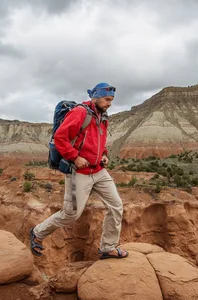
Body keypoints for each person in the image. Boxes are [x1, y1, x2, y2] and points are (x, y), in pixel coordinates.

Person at [29, 82, 129, 260]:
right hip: (79, 173)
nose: (109, 104)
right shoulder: (80, 112)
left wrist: (104, 155)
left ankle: (108, 247)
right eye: (107, 99)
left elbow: (98, 142)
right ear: (96, 97)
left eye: (112, 100)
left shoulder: (103, 117)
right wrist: (74, 157)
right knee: (71, 214)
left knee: (116, 206)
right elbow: (60, 137)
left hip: (99, 171)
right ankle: (38, 232)